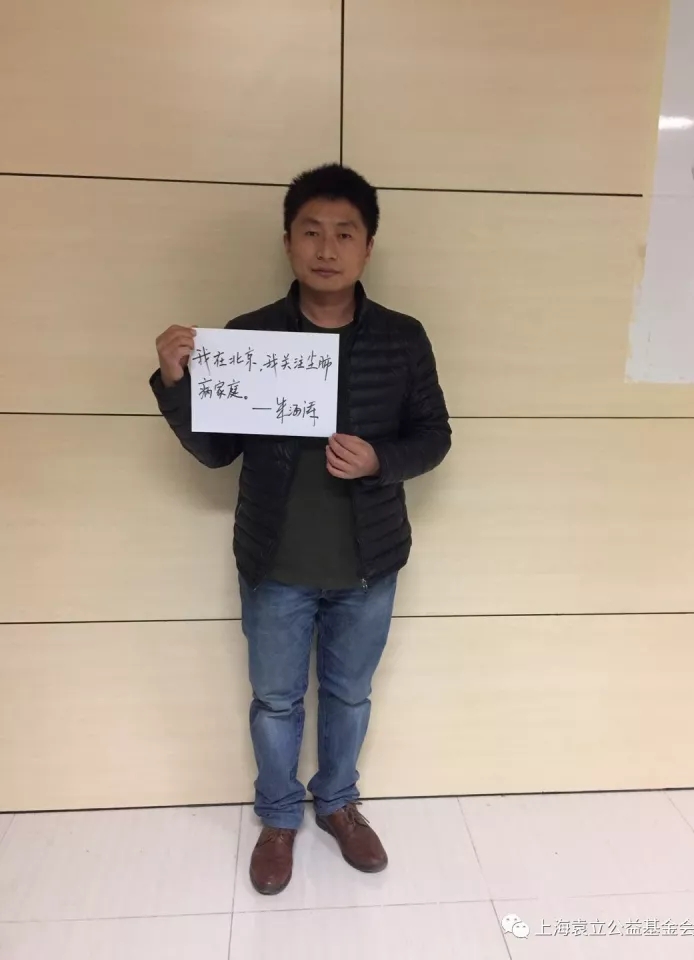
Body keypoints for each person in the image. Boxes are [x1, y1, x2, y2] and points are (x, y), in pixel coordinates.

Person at [150, 164, 451, 895]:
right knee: (277, 700)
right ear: (288, 242)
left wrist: (379, 460)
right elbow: (216, 451)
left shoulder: (402, 339)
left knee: (349, 695)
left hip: (368, 564)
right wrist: (176, 384)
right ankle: (280, 815)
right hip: (275, 563)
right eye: (311, 232)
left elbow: (434, 436)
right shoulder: (250, 337)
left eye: (345, 233)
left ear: (367, 247)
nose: (326, 248)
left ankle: (338, 803)